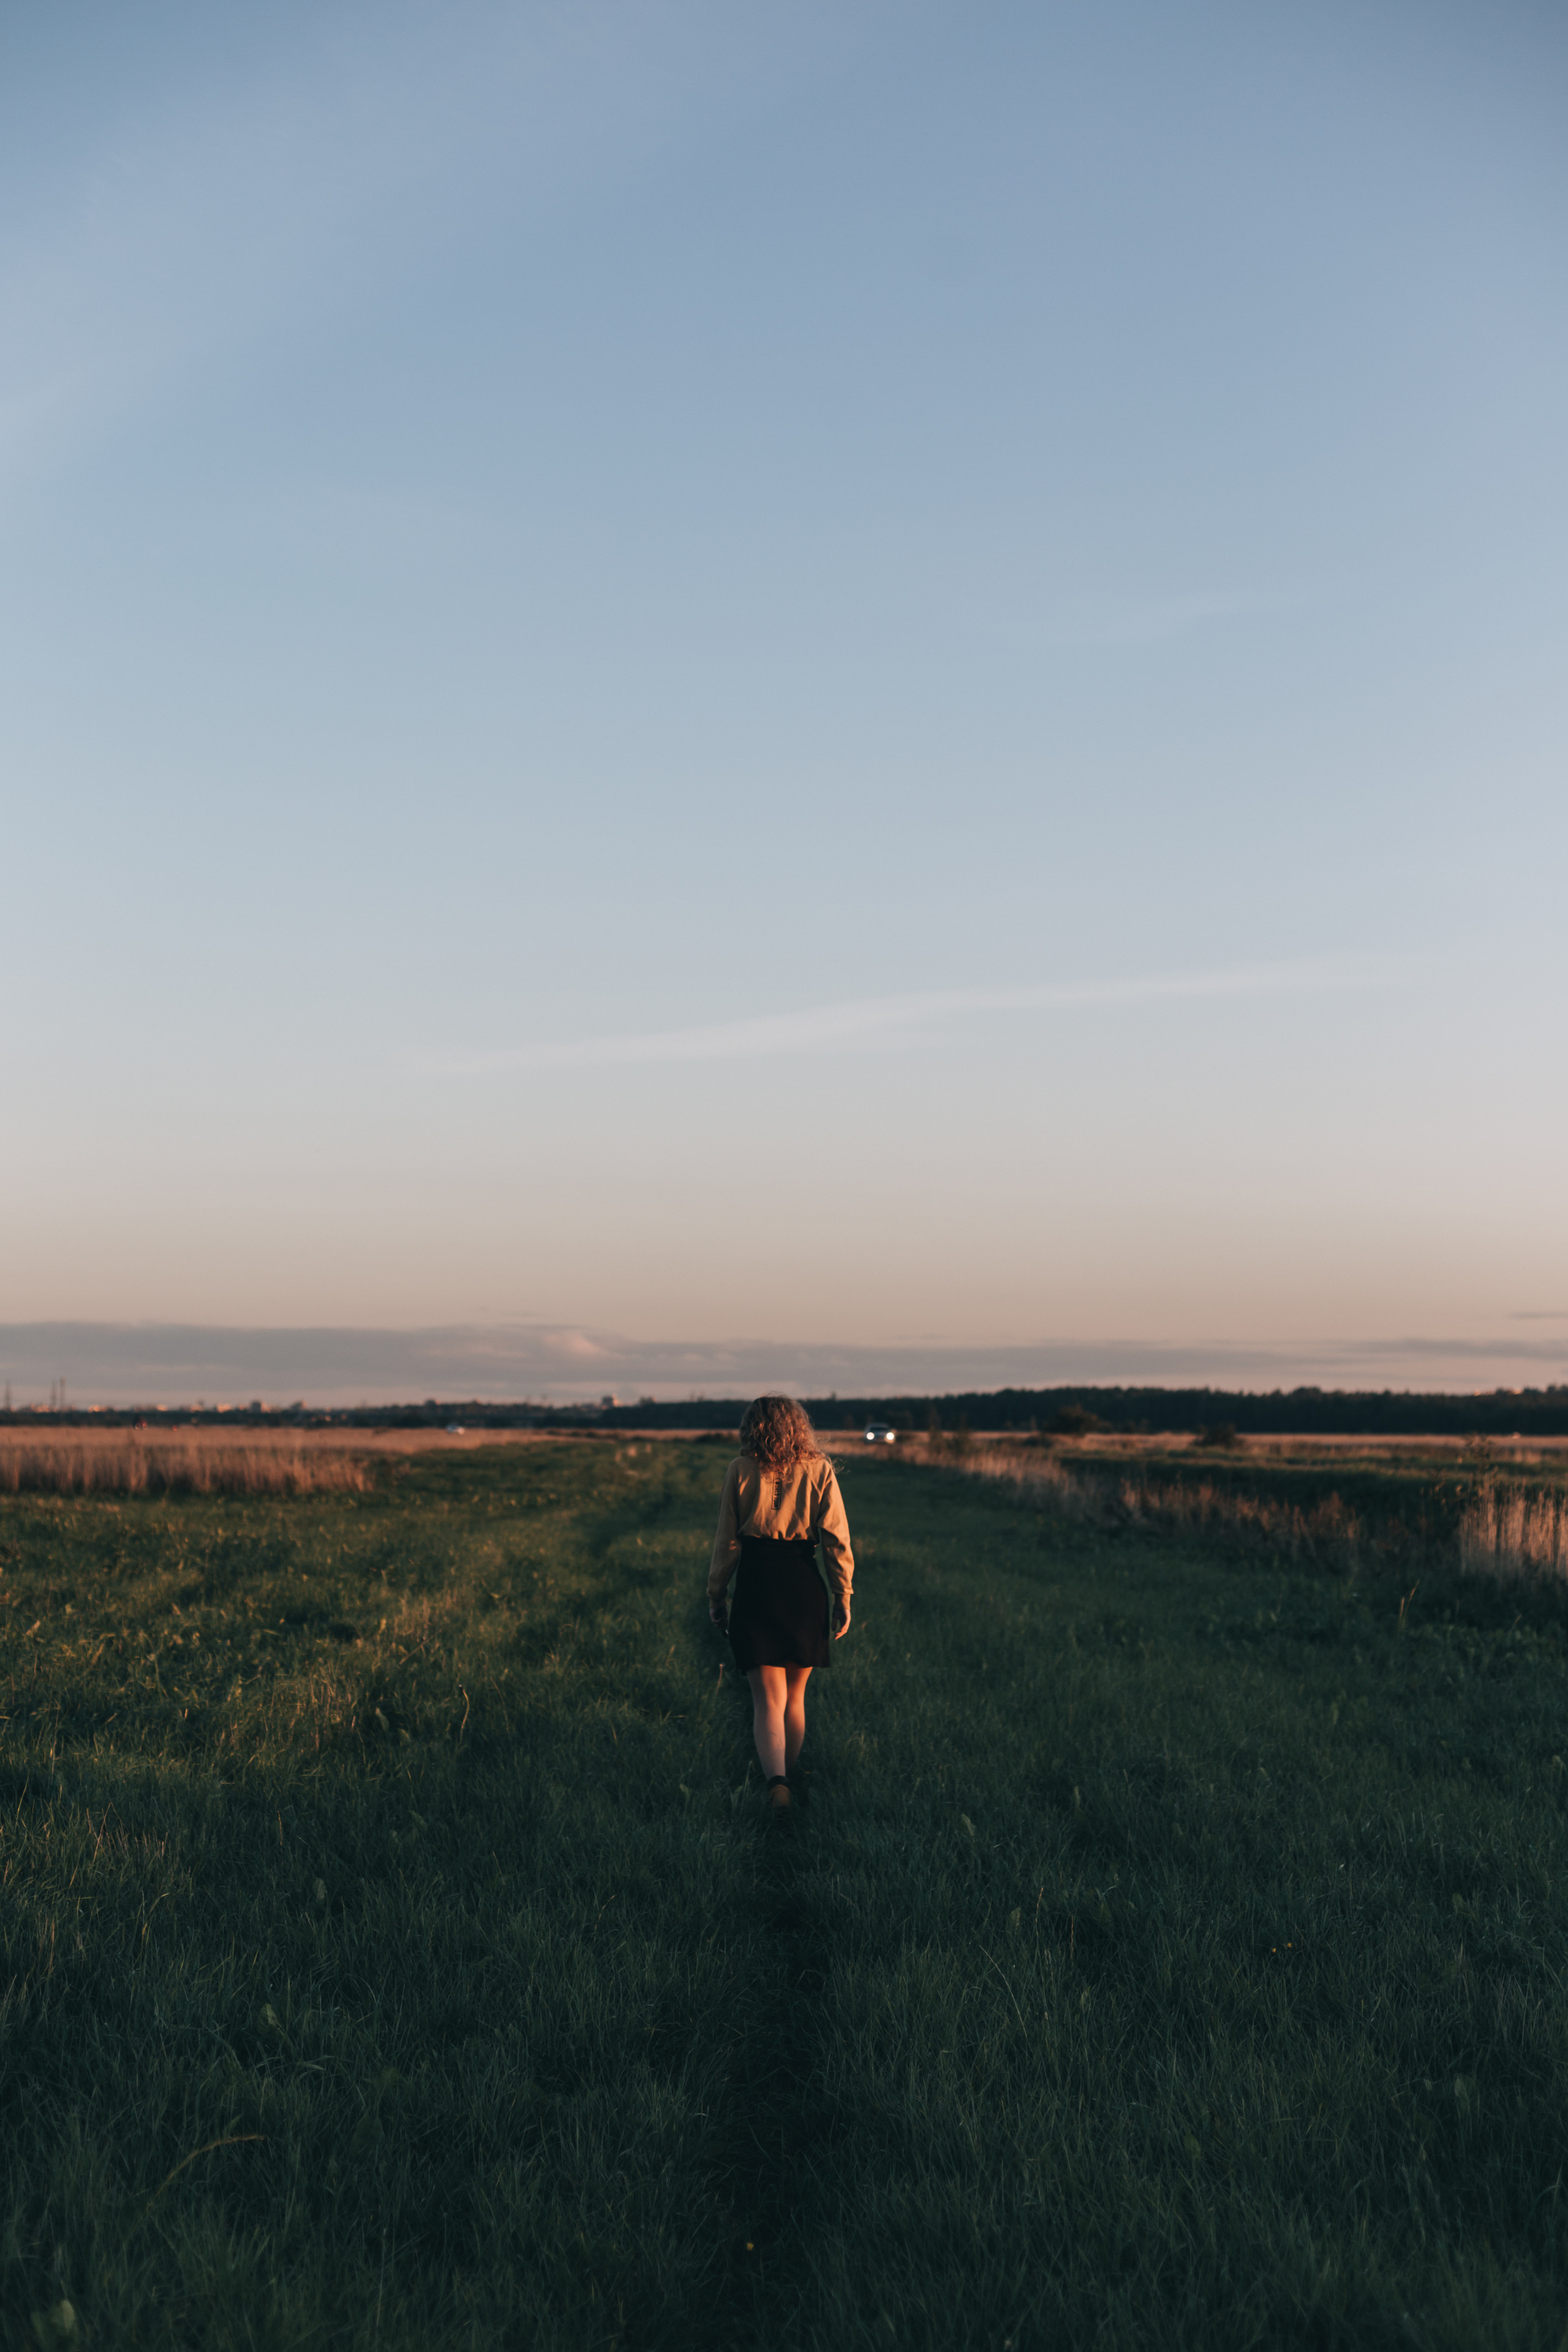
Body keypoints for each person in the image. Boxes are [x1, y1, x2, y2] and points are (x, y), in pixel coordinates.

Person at [707, 1395, 853, 1816]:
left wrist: (717, 1595)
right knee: (795, 1697)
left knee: (767, 1700)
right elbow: (837, 1540)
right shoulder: (820, 1469)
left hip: (757, 1584)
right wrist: (843, 1595)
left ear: (751, 1427)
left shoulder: (740, 1469)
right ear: (799, 1427)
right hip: (804, 1585)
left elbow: (726, 1542)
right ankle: (785, 1779)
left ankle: (777, 1786)